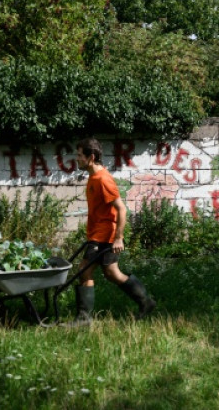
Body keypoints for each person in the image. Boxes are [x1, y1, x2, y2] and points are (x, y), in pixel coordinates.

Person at [67, 137, 156, 327]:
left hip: (104, 237)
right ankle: (146, 302)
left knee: (84, 271)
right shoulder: (93, 177)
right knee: (112, 273)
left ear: (90, 157)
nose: (77, 159)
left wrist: (118, 238)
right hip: (98, 235)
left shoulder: (103, 180)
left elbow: (121, 209)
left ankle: (84, 319)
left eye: (79, 155)